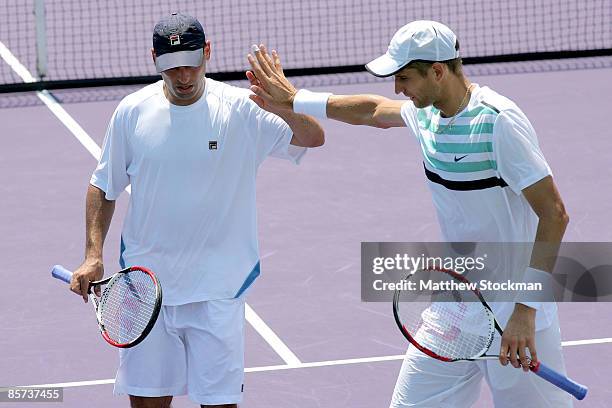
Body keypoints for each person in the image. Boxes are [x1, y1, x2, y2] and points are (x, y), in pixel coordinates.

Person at [246, 20, 571, 407]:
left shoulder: (498, 122)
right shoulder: (427, 115)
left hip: (512, 310)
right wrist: (296, 100)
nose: (398, 89)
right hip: (455, 304)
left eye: (405, 78)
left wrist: (525, 311)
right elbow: (372, 110)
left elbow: (554, 214)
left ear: (438, 71)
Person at [69, 12, 324, 408]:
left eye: (191, 64)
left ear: (208, 52)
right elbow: (103, 185)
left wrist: (285, 101)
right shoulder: (132, 111)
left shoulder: (242, 108)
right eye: (172, 69)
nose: (183, 77)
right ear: (154, 60)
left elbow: (312, 137)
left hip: (217, 290)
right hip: (146, 288)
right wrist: (92, 254)